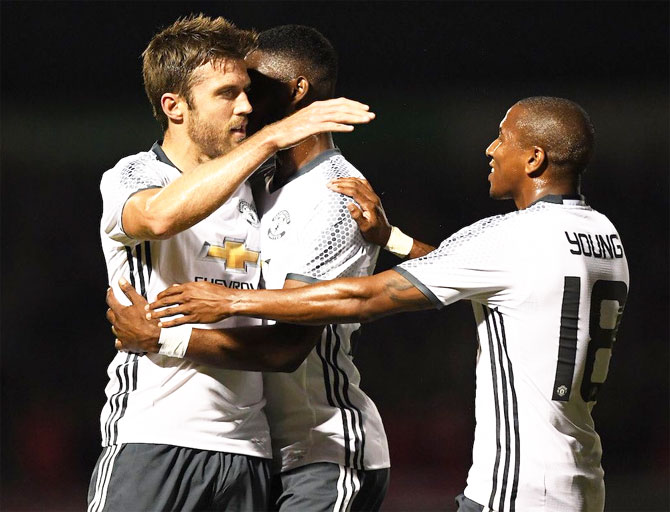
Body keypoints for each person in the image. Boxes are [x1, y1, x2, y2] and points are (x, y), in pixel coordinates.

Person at [123, 97, 630, 511]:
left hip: (515, 488)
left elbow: (362, 296)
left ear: (535, 159)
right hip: (584, 480)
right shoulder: (602, 234)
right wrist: (393, 239)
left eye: (504, 138)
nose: (491, 149)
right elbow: (484, 274)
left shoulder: (510, 236)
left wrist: (228, 298)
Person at [89, 14, 374, 512]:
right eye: (226, 94)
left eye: (247, 91)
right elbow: (156, 218)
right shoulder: (134, 174)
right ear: (174, 107)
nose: (246, 106)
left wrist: (388, 235)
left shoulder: (260, 187)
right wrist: (271, 137)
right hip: (154, 437)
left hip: (249, 453)